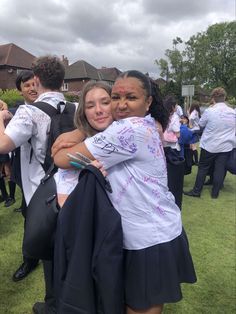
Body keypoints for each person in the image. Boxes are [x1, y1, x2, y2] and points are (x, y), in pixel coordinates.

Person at [53, 70, 197, 314]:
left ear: (148, 102)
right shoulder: (150, 123)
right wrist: (81, 131)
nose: (120, 105)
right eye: (115, 97)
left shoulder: (128, 130)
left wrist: (75, 133)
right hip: (153, 230)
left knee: (138, 308)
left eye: (130, 97)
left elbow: (61, 158)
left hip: (147, 239)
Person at [0, 55, 66, 314]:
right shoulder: (74, 107)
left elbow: (3, 144)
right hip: (71, 188)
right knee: (67, 246)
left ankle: (53, 304)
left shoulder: (29, 111)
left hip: (42, 191)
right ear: (62, 81)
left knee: (48, 249)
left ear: (36, 80)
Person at [10, 70, 40, 283]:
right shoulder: (15, 112)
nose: (32, 88)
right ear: (20, 89)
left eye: (35, 84)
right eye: (26, 85)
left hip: (47, 176)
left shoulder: (54, 111)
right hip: (24, 174)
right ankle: (30, 259)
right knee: (29, 217)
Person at [184, 87, 235, 199]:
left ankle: (197, 191)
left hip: (210, 145)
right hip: (226, 146)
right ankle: (215, 193)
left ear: (213, 98)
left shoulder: (210, 111)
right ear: (225, 97)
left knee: (203, 168)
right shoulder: (233, 112)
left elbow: (201, 124)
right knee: (219, 169)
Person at [188, 101, 201, 165]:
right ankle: (193, 161)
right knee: (191, 145)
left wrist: (190, 126)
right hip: (197, 129)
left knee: (192, 145)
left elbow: (190, 119)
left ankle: (196, 161)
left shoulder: (194, 112)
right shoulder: (197, 112)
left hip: (193, 130)